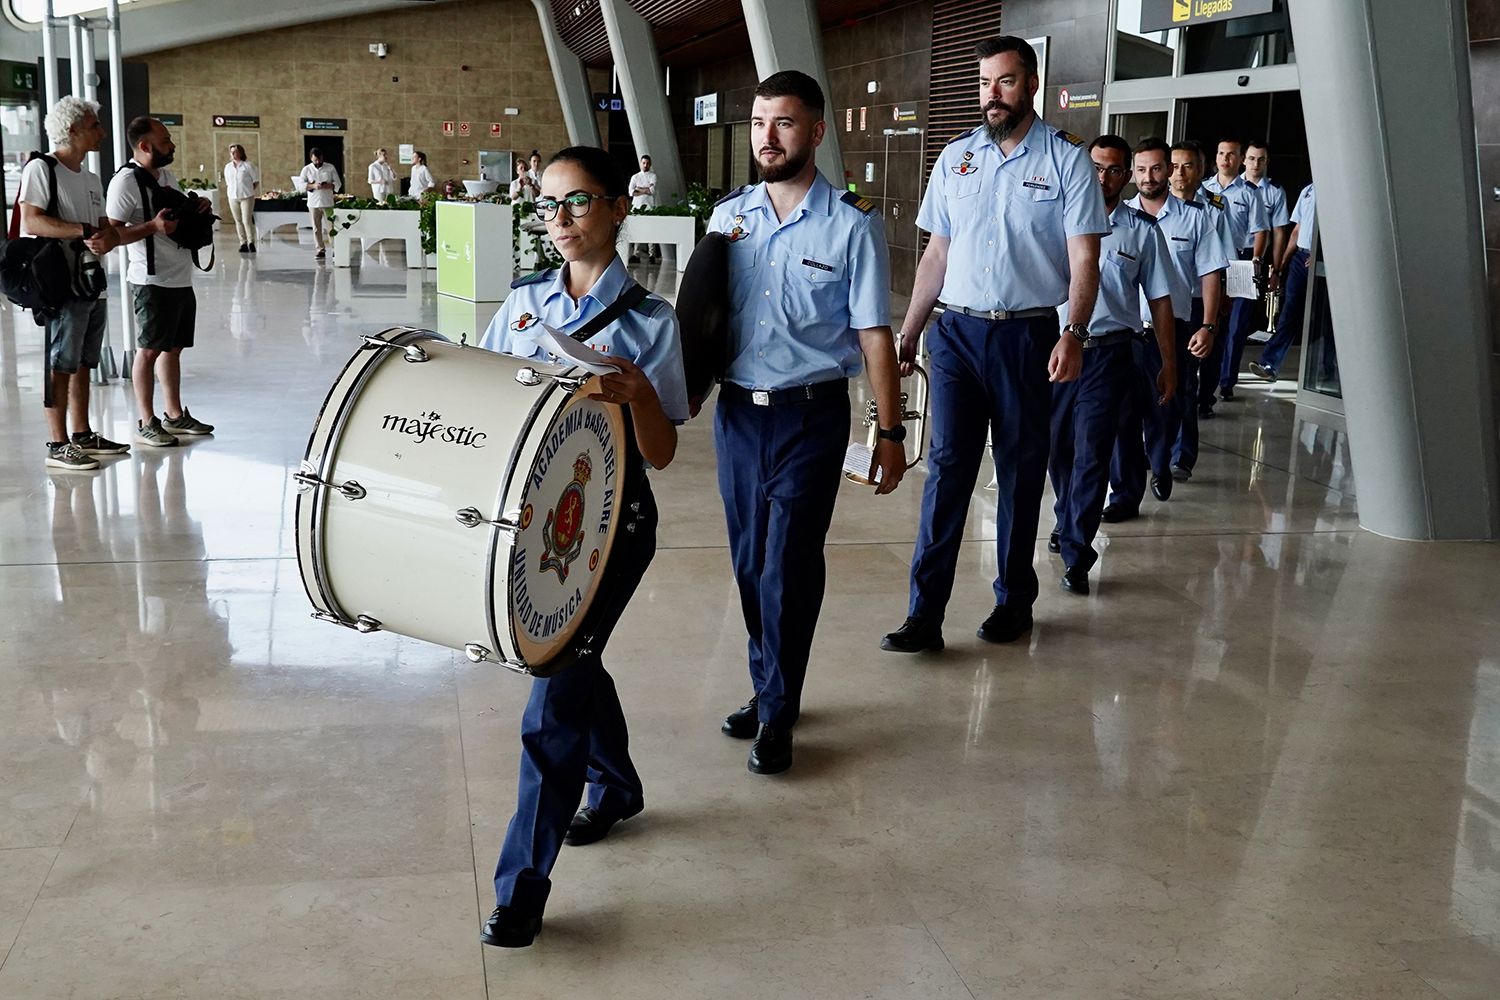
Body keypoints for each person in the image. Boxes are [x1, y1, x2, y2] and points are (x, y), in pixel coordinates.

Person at [476, 145, 688, 950]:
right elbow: (493, 394)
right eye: (548, 206)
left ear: (618, 209)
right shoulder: (524, 303)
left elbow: (662, 453)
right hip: (528, 521)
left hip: (609, 526)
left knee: (554, 687)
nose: (559, 221)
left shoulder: (651, 321)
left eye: (577, 203)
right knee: (573, 658)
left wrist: (636, 396)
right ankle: (619, 783)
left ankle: (521, 890)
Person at [881, 35, 1106, 654]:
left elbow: (1085, 257)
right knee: (947, 470)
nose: (992, 94)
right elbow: (937, 253)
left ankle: (1013, 600)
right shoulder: (955, 158)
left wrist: (1074, 331)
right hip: (955, 334)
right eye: (984, 83)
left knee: (1019, 468)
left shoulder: (1065, 160)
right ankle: (924, 615)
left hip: (1028, 335)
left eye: (1005, 81)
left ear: (1030, 83)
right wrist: (910, 331)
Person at [710, 70, 905, 775]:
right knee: (747, 562)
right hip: (737, 415)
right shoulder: (727, 219)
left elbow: (876, 336)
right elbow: (702, 322)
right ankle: (769, 683)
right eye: (760, 122)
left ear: (816, 131)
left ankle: (778, 709)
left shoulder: (852, 228)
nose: (768, 136)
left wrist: (890, 432)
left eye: (784, 122)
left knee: (787, 564)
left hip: (811, 416)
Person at [1047, 134, 1175, 595]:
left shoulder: (1141, 230)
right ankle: (1066, 517)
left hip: (1109, 354)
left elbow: (1160, 301)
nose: (1104, 177)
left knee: (1092, 452)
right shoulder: (1054, 217)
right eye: (1097, 168)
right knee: (1056, 449)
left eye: (1114, 170)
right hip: (1056, 353)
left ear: (1126, 177)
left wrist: (1167, 363)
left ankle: (1078, 551)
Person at [1102, 138, 1229, 521]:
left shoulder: (1195, 217)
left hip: (1171, 326)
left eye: (1156, 168)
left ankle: (1161, 462)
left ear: (1169, 171)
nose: (1148, 177)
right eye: (1140, 170)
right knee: (1123, 413)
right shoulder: (1117, 217)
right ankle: (1126, 491)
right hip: (1125, 330)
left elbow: (1210, 274)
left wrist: (1207, 325)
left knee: (1166, 404)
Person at [18, 96, 125, 471]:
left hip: (91, 279)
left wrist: (107, 236)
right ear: (73, 130)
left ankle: (81, 433)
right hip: (60, 282)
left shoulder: (91, 178)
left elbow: (104, 226)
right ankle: (57, 442)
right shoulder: (42, 169)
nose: (102, 132)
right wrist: (81, 231)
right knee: (59, 361)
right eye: (96, 125)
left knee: (83, 360)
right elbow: (31, 222)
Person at [106, 115, 216, 447]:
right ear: (144, 146)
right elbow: (111, 235)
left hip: (180, 276)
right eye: (166, 140)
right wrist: (152, 228)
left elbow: (175, 216)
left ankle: (173, 414)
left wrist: (196, 208)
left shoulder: (165, 175)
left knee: (173, 348)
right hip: (151, 280)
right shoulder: (125, 183)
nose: (172, 145)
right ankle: (145, 420)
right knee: (150, 350)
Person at [1167, 139, 1234, 483]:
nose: (1179, 173)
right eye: (1174, 165)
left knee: (1185, 383)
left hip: (1195, 302)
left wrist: (1216, 311)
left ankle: (1182, 455)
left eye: (1187, 166)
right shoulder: (1149, 207)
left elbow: (1221, 263)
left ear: (1201, 170)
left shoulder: (1215, 208)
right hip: (1158, 304)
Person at [1200, 138, 1269, 407]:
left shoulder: (1250, 193)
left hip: (1239, 260)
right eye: (1220, 153)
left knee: (1236, 325)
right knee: (1209, 323)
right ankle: (1202, 386)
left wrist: (1256, 260)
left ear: (1240, 159)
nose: (1225, 159)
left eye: (1231, 155)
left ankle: (1226, 381)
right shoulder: (1204, 189)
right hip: (1207, 262)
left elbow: (1260, 230)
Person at [1251, 182, 1316, 382]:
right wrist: (1281, 266)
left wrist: (1322, 253)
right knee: (1289, 312)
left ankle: (1326, 371)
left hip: (1320, 260)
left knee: (1324, 320)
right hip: (1300, 258)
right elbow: (1297, 230)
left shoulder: (1338, 187)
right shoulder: (1308, 190)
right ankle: (1269, 364)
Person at [298, 147, 341, 260]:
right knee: (316, 228)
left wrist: (328, 185)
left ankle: (335, 249)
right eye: (315, 160)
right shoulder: (306, 169)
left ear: (322, 157)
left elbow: (338, 183)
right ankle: (320, 249)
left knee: (331, 227)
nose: (317, 162)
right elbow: (300, 185)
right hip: (313, 202)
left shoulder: (330, 167)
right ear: (311, 158)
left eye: (319, 159)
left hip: (327, 202)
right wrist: (313, 186)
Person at [221, 143, 259, 254]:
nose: (233, 154)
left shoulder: (248, 165)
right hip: (233, 196)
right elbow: (228, 182)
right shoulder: (228, 167)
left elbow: (255, 181)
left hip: (246, 196)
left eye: (235, 152)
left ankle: (251, 242)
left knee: (246, 220)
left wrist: (249, 190)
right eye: (231, 152)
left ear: (240, 153)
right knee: (238, 220)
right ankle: (243, 242)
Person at [626, 153, 659, 263]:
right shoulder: (635, 177)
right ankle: (636, 254)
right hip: (637, 207)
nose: (645, 165)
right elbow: (631, 192)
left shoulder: (653, 176)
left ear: (650, 164)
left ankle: (652, 255)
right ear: (641, 163)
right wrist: (646, 189)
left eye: (647, 163)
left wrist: (639, 189)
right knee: (638, 231)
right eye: (644, 163)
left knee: (651, 231)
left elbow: (652, 191)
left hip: (649, 207)